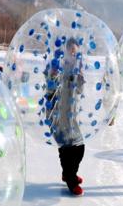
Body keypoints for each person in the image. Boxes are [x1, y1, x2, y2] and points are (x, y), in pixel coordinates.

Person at [45, 37, 86, 196]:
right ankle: (71, 180)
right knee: (68, 148)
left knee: (76, 147)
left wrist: (80, 77)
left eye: (76, 51)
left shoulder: (76, 68)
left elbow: (80, 91)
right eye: (71, 51)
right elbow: (50, 89)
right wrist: (54, 75)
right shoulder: (57, 66)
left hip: (71, 114)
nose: (73, 54)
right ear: (66, 50)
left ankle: (68, 174)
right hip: (58, 114)